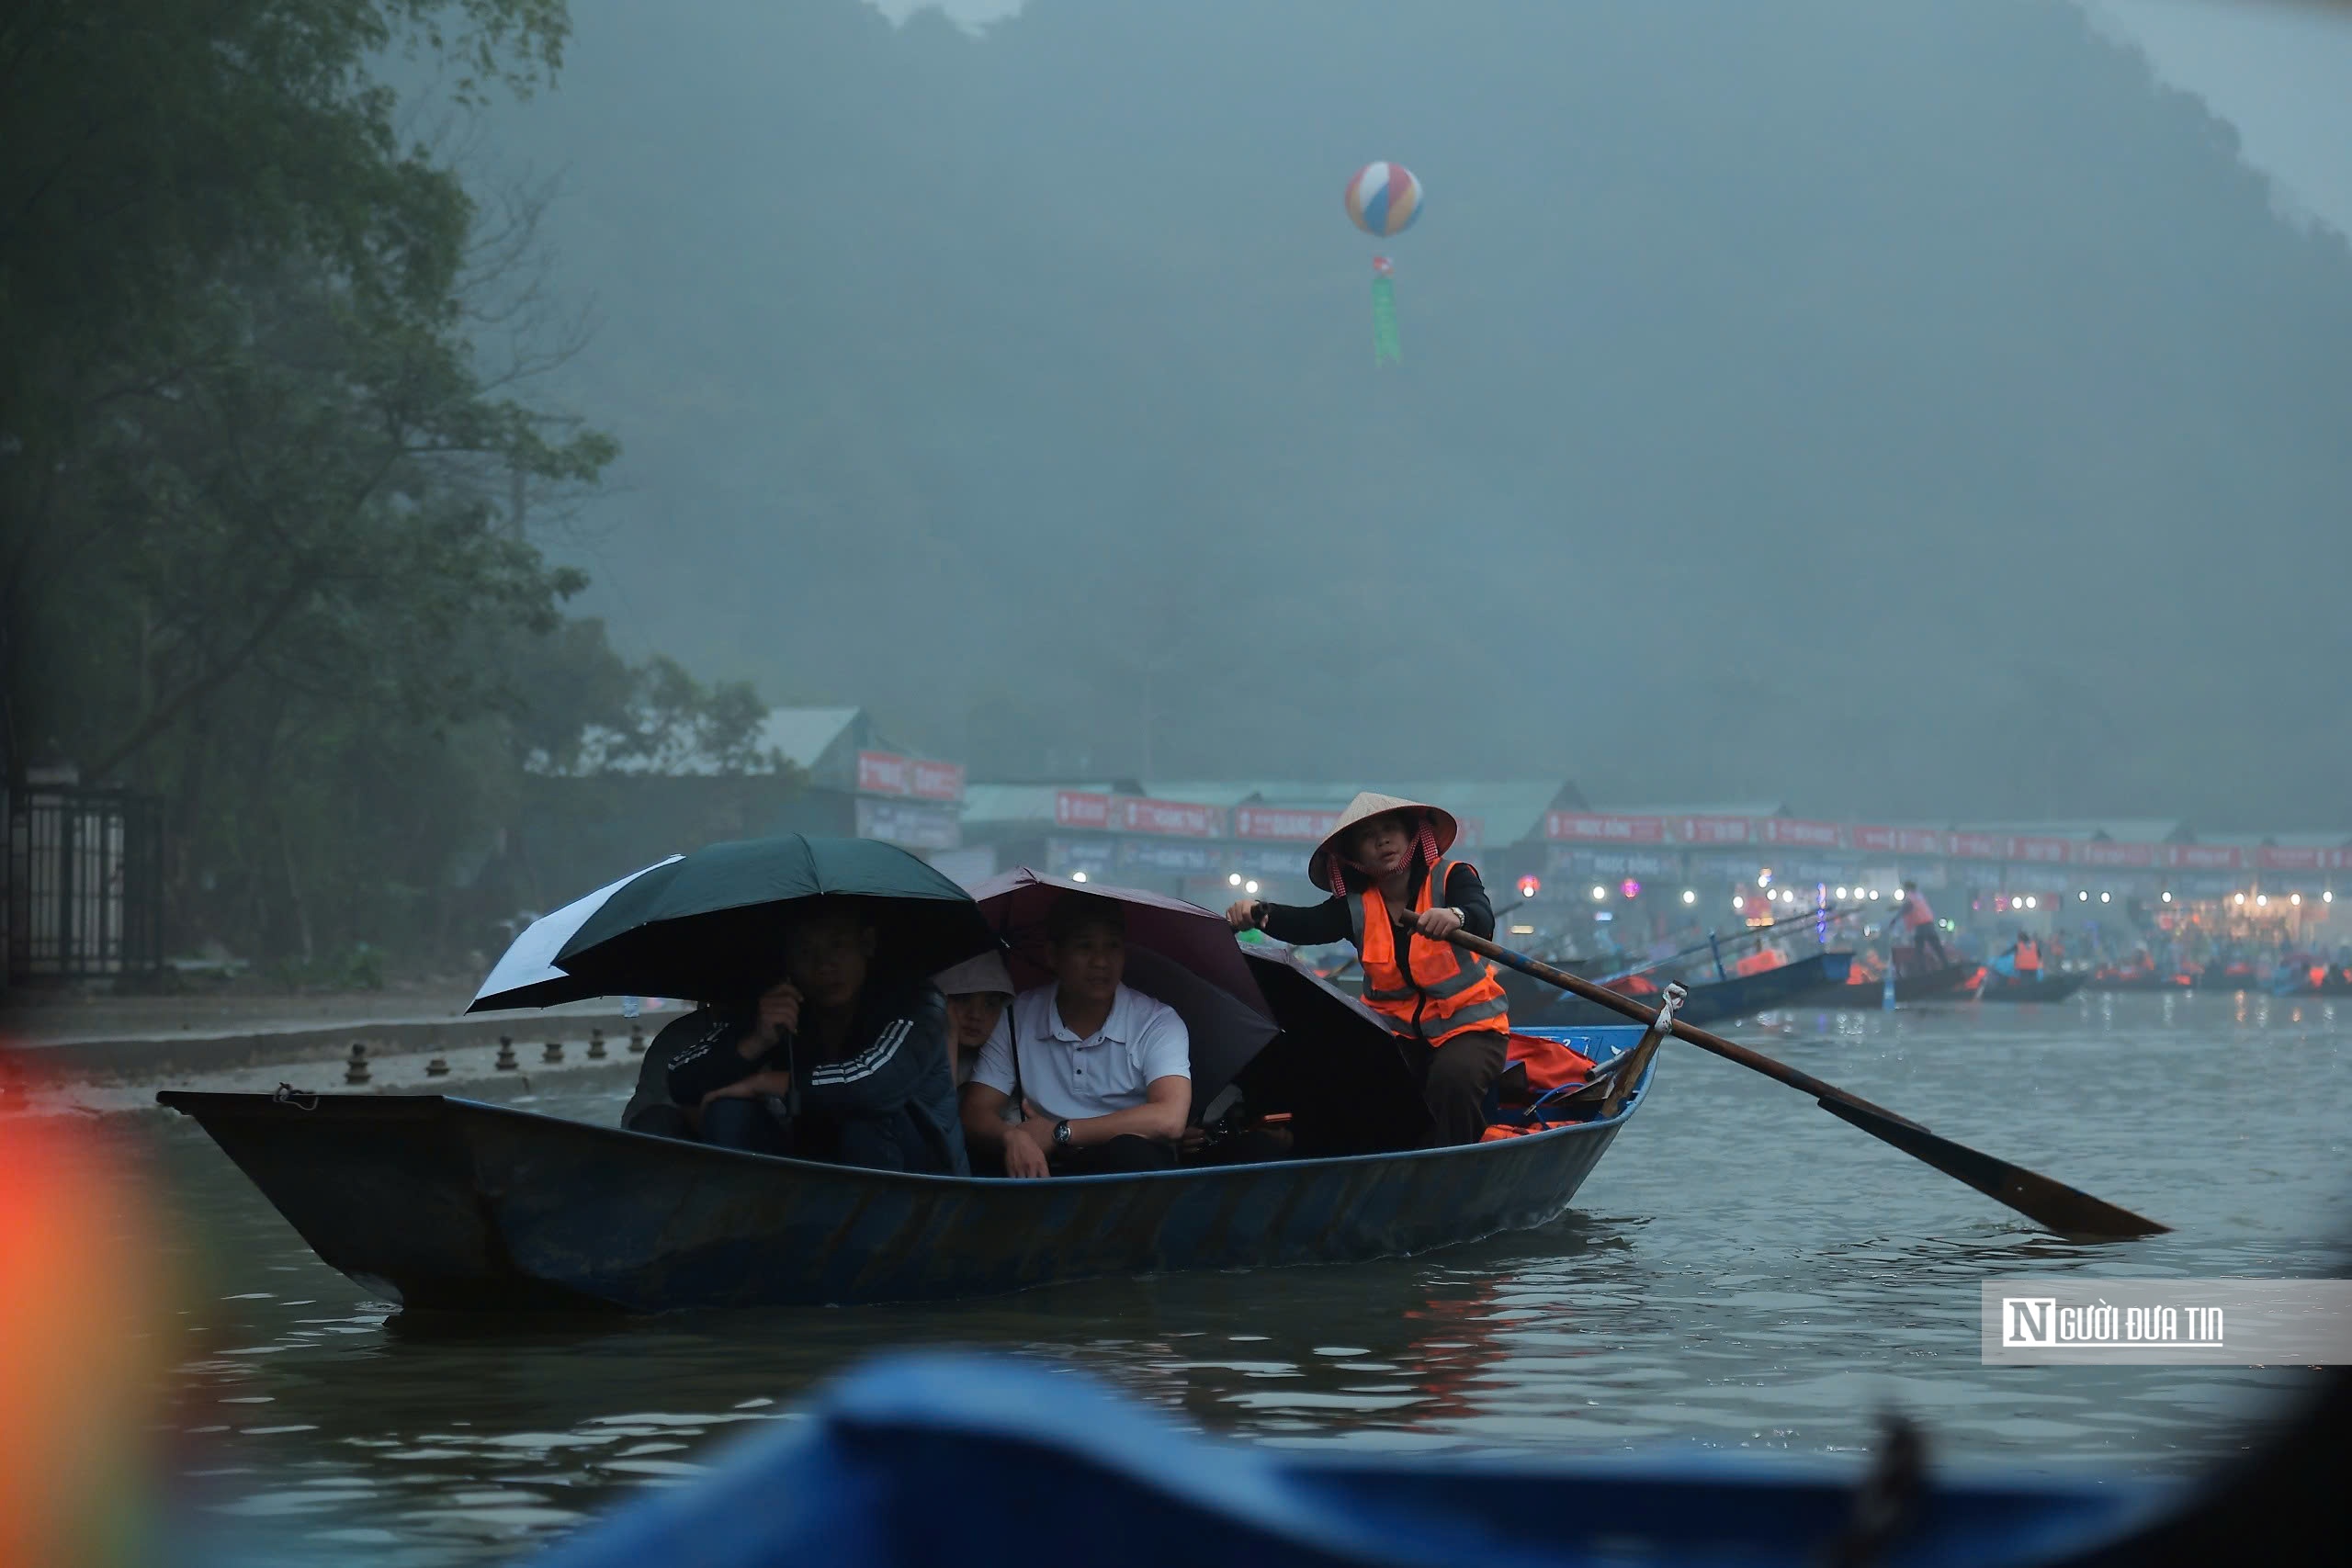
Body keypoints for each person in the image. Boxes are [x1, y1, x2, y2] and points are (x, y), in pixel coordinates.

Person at [1225, 791, 1509, 1147]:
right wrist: (1259, 912)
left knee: (1454, 1079)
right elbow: (1308, 924)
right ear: (1353, 855)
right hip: (1395, 1033)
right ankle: (1365, 1161)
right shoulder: (1356, 905)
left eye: (1391, 829)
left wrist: (1456, 916)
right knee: (1349, 1076)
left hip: (1470, 1027)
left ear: (1412, 835)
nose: (1382, 840)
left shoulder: (1453, 877)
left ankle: (1446, 1172)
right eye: (1367, 837)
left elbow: (1479, 914)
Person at [658, 903, 969, 1175]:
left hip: (923, 1176)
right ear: (789, 959)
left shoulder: (915, 1001)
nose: (824, 965)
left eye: (837, 945)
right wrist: (756, 1041)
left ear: (867, 944)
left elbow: (873, 1087)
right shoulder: (779, 1001)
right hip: (819, 1167)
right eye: (806, 951)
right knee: (728, 1110)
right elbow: (680, 1077)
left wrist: (766, 1081)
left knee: (867, 1121)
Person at [960, 895, 1192, 1178]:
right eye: (1085, 947)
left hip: (1126, 1173)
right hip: (1041, 1165)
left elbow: (1169, 1119)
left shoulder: (1156, 1021)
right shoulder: (1017, 1015)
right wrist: (1012, 1138)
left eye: (1112, 947)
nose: (1100, 962)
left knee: (1131, 1153)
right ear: (1053, 955)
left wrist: (1061, 1131)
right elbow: (975, 1113)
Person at [933, 950, 1015, 1087]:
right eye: (963, 999)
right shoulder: (912, 1057)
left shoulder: (1002, 1069)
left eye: (990, 1004)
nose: (975, 1015)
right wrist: (950, 1036)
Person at [1893, 881, 1947, 968]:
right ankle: (1946, 965)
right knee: (1937, 947)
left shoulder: (1910, 897)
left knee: (1919, 951)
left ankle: (1922, 971)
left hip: (1921, 927)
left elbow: (1904, 909)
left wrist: (1894, 920)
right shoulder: (1920, 896)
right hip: (1929, 925)